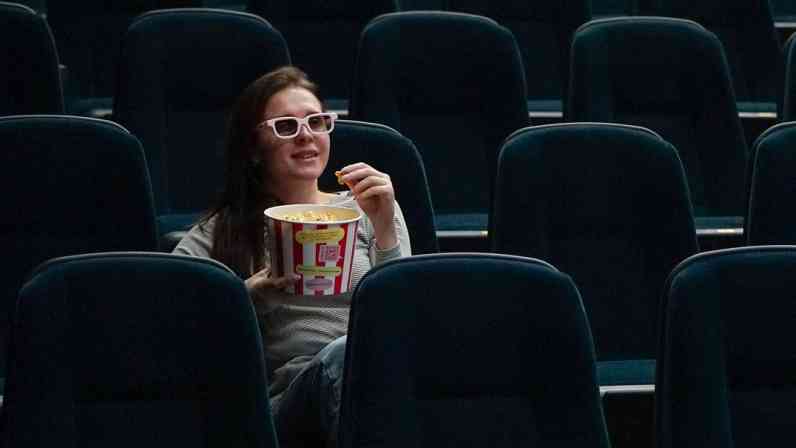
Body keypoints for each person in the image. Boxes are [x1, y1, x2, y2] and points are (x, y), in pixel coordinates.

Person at [173, 66, 412, 446]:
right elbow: (176, 323)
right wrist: (247, 297)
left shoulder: (369, 207)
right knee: (340, 356)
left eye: (317, 122)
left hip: (379, 380)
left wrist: (384, 226)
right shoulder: (222, 230)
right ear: (253, 148)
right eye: (286, 126)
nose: (306, 136)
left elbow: (403, 319)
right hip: (289, 402)